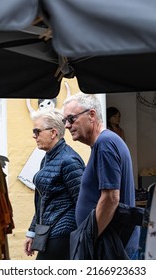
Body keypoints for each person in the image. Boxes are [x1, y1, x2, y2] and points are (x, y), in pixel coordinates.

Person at [62, 93, 140, 259]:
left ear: (91, 115)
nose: (67, 126)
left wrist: (88, 237)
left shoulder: (105, 143)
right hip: (110, 243)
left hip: (111, 246)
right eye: (65, 121)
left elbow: (111, 197)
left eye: (71, 118)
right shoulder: (104, 143)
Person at [24, 108, 85, 260]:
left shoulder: (69, 160)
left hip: (63, 235)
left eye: (37, 131)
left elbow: (82, 202)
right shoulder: (48, 158)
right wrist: (32, 232)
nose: (34, 136)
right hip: (48, 232)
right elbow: (42, 199)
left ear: (53, 133)